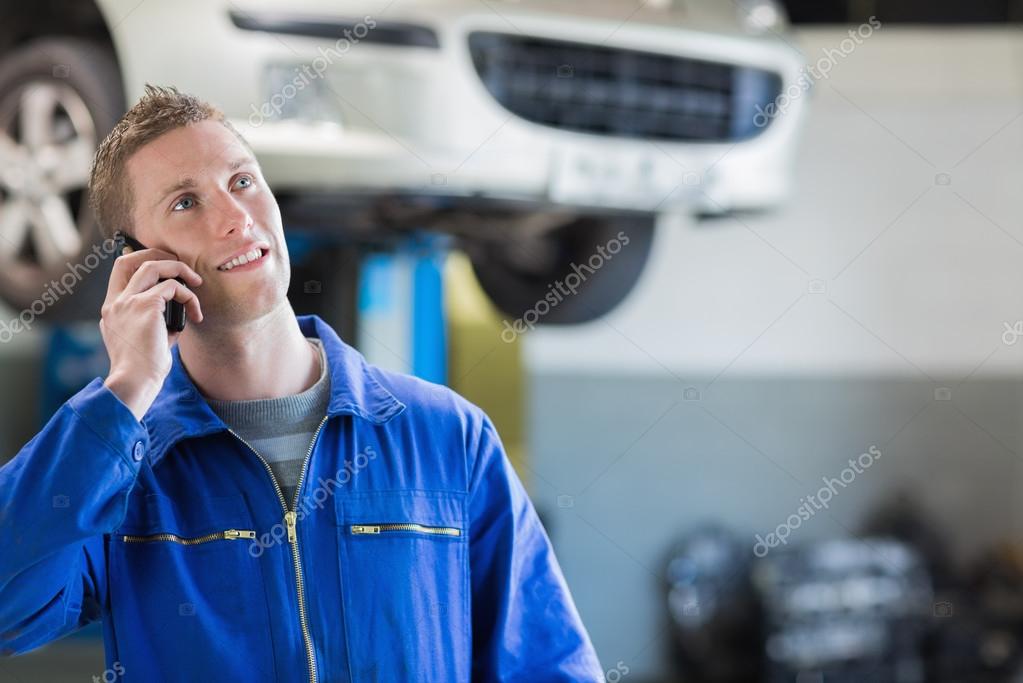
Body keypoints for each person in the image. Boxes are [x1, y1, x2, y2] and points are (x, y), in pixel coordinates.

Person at [0, 84, 603, 682]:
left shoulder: (449, 437)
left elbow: (549, 667)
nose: (236, 218)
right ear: (136, 262)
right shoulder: (121, 471)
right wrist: (126, 390)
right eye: (185, 203)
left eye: (242, 182)